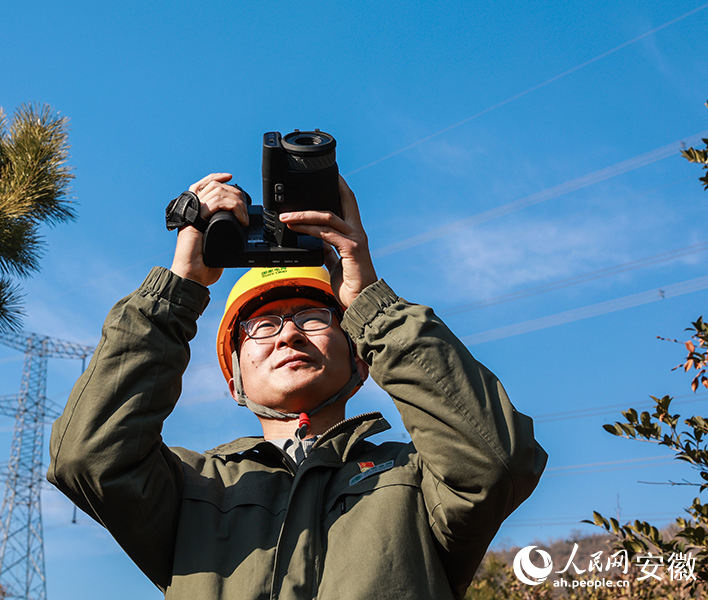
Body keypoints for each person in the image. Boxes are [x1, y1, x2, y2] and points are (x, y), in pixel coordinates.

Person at [47, 172, 547, 599]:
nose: (288, 333)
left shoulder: (417, 480)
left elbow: (495, 461)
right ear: (233, 376)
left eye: (312, 317)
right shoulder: (192, 491)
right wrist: (180, 286)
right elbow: (88, 457)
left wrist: (371, 301)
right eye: (262, 325)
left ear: (360, 358)